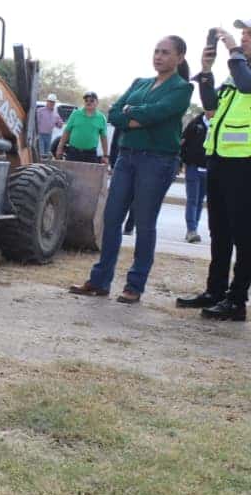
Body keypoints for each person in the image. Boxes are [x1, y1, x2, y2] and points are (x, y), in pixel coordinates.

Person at [70, 36, 193, 304]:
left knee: (145, 223)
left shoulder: (182, 88)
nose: (158, 56)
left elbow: (157, 113)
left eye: (165, 52)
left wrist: (133, 114)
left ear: (179, 58)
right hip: (127, 157)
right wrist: (134, 116)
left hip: (158, 160)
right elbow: (114, 114)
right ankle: (100, 281)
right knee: (112, 218)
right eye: (156, 51)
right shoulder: (140, 83)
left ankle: (134, 286)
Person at [176, 22, 251, 321]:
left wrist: (233, 49)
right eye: (242, 36)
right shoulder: (238, 72)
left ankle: (236, 301)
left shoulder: (242, 73)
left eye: (248, 36)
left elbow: (247, 84)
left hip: (245, 163)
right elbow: (211, 107)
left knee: (244, 235)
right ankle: (215, 291)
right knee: (219, 231)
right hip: (220, 159)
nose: (243, 39)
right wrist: (206, 72)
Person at [179, 108, 212, 242]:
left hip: (209, 169)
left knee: (199, 201)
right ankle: (191, 230)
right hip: (193, 167)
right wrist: (181, 161)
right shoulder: (195, 124)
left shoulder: (219, 123)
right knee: (192, 200)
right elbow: (182, 142)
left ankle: (194, 228)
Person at [55, 92, 109, 163]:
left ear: (97, 102)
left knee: (89, 174)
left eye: (91, 100)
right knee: (68, 174)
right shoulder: (75, 114)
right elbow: (67, 131)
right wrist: (60, 147)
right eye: (86, 100)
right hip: (73, 153)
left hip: (90, 154)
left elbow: (104, 137)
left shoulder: (101, 118)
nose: (88, 102)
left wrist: (105, 155)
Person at [34, 93, 64, 157]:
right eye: (50, 101)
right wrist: (36, 135)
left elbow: (60, 125)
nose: (51, 103)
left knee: (46, 154)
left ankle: (43, 165)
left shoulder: (55, 113)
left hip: (49, 136)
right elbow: (35, 123)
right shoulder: (40, 111)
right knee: (41, 154)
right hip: (40, 135)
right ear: (47, 102)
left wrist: (60, 123)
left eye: (53, 102)